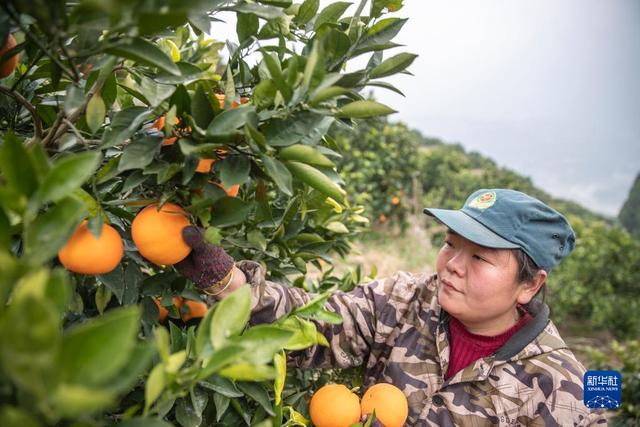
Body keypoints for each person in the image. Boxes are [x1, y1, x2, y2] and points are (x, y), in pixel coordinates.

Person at [175, 188, 607, 426]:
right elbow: (308, 326)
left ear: (529, 285)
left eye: (479, 258)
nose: (452, 266)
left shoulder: (571, 391)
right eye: (449, 244)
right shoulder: (403, 300)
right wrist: (230, 284)